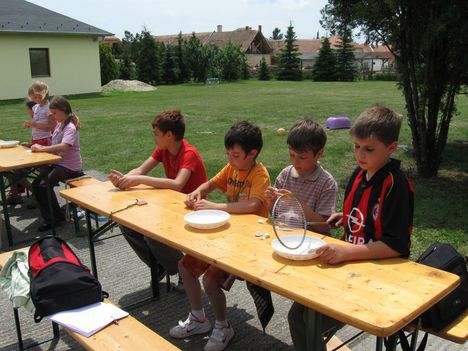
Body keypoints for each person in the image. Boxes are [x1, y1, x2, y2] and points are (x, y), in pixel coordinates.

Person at [287, 105, 414, 351]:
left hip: (378, 275)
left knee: (306, 321)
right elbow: (364, 217)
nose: (360, 154)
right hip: (348, 267)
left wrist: (345, 252)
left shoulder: (395, 185)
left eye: (369, 149)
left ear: (391, 148)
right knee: (297, 316)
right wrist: (344, 217)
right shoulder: (360, 173)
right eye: (356, 146)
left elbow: (395, 245)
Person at [169, 121, 270, 351]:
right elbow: (210, 183)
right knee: (185, 267)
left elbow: (254, 205)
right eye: (228, 154)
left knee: (210, 280)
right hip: (226, 236)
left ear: (252, 153)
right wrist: (197, 192)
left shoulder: (259, 173)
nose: (230, 159)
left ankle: (223, 327)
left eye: (235, 155)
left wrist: (215, 206)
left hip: (248, 243)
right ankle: (198, 319)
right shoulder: (232, 168)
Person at [107, 110, 208, 286]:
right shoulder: (163, 149)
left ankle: (183, 270)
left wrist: (137, 180)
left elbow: (178, 184)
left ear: (169, 135)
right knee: (126, 223)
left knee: (153, 233)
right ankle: (160, 265)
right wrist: (123, 180)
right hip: (172, 205)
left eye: (156, 134)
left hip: (193, 209)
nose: (154, 137)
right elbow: (139, 170)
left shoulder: (189, 153)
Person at [265, 119, 338, 235]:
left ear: (319, 154)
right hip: (284, 234)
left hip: (310, 240)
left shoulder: (326, 183)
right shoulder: (285, 174)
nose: (295, 161)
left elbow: (323, 226)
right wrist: (271, 201)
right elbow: (274, 213)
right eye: (291, 155)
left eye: (302, 157)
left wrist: (297, 203)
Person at [31, 96, 84, 232]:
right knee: (36, 184)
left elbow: (64, 146)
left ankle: (54, 219)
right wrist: (35, 145)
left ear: (64, 110)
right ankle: (55, 216)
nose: (53, 116)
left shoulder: (70, 127)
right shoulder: (61, 124)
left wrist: (43, 149)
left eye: (54, 113)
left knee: (43, 185)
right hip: (59, 164)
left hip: (70, 167)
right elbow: (55, 144)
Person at [1, 100, 38, 206]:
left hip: (42, 155)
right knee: (10, 167)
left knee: (13, 171)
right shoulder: (36, 121)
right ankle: (14, 194)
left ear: (32, 109)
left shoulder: (41, 123)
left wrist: (31, 146)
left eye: (27, 109)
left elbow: (46, 141)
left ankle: (36, 192)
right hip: (35, 151)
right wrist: (30, 144)